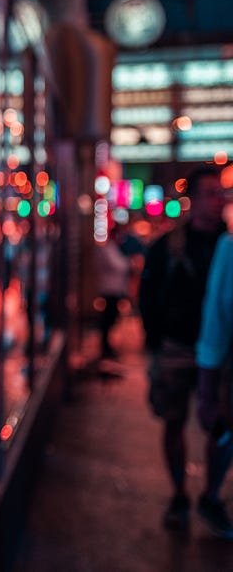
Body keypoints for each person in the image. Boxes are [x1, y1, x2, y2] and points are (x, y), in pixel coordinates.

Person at [139, 167, 228, 532]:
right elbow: (147, 296)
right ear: (192, 199)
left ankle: (211, 495)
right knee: (173, 420)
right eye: (208, 193)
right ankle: (179, 494)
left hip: (222, 353)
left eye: (220, 192)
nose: (217, 200)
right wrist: (155, 344)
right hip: (177, 347)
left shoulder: (229, 244)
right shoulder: (168, 246)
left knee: (222, 426)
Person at [196, 232, 233, 538]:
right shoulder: (229, 247)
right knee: (223, 435)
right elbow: (216, 318)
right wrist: (207, 388)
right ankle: (211, 495)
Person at [95, 229, 131, 360]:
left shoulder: (113, 249)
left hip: (113, 289)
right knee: (108, 319)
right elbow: (119, 266)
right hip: (109, 289)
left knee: (111, 318)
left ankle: (107, 346)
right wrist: (129, 263)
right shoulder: (107, 249)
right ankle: (105, 347)